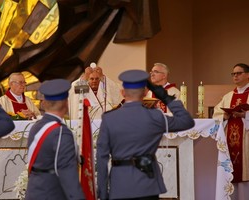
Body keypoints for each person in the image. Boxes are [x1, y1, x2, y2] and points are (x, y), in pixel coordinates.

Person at [96, 69, 194, 200]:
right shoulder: (155, 116)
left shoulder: (109, 119)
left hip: (120, 185)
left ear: (123, 93)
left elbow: (101, 158)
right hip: (147, 184)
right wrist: (166, 98)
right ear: (145, 93)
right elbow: (186, 121)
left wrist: (102, 192)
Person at [25, 79, 85, 200]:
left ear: (44, 103)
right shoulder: (62, 133)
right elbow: (68, 175)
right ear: (66, 104)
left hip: (34, 191)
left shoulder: (36, 127)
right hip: (52, 193)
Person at [213, 63, 249, 200]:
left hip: (246, 142)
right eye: (233, 74)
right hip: (229, 140)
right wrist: (224, 116)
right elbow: (216, 114)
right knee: (231, 174)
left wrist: (245, 115)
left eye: (238, 73)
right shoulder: (228, 96)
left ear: (247, 75)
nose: (235, 76)